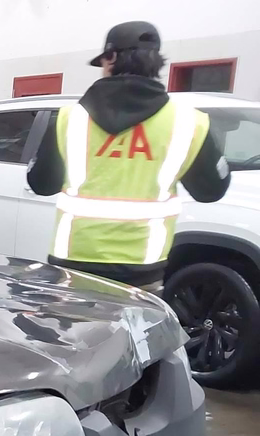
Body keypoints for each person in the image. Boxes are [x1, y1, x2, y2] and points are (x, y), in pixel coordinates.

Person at [27, 21, 231, 288]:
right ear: (156, 62)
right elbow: (211, 191)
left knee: (71, 330)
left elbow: (41, 185)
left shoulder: (71, 118)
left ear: (111, 58)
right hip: (143, 268)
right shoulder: (188, 122)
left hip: (73, 263)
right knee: (131, 330)